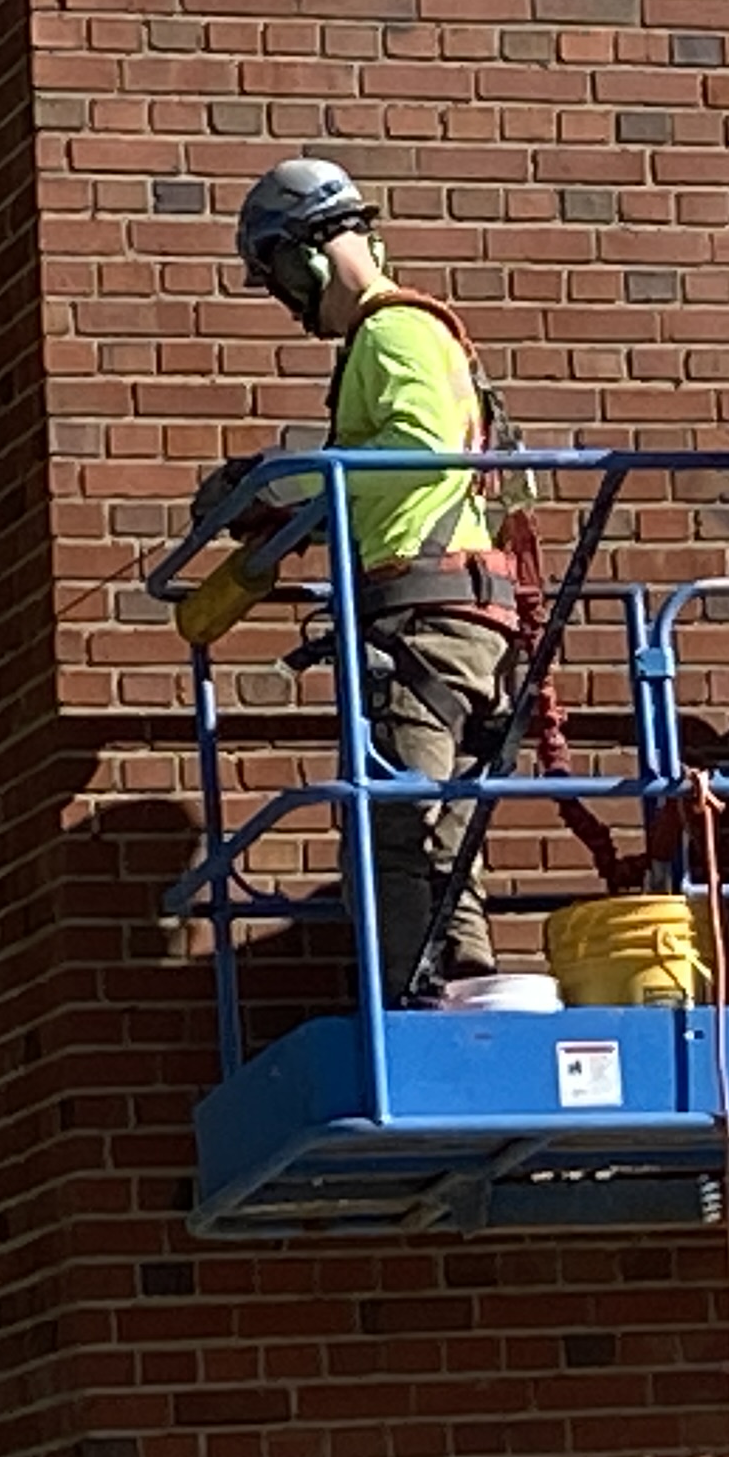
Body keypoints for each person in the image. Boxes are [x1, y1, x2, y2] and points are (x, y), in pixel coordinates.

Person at [217, 157, 517, 1005]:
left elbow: (420, 454)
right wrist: (279, 502)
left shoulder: (390, 333)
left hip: (425, 618)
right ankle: (463, 987)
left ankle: (412, 1006)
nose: (284, 296)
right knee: (439, 829)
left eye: (275, 273)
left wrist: (282, 481)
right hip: (452, 617)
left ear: (304, 255)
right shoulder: (401, 336)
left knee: (391, 823)